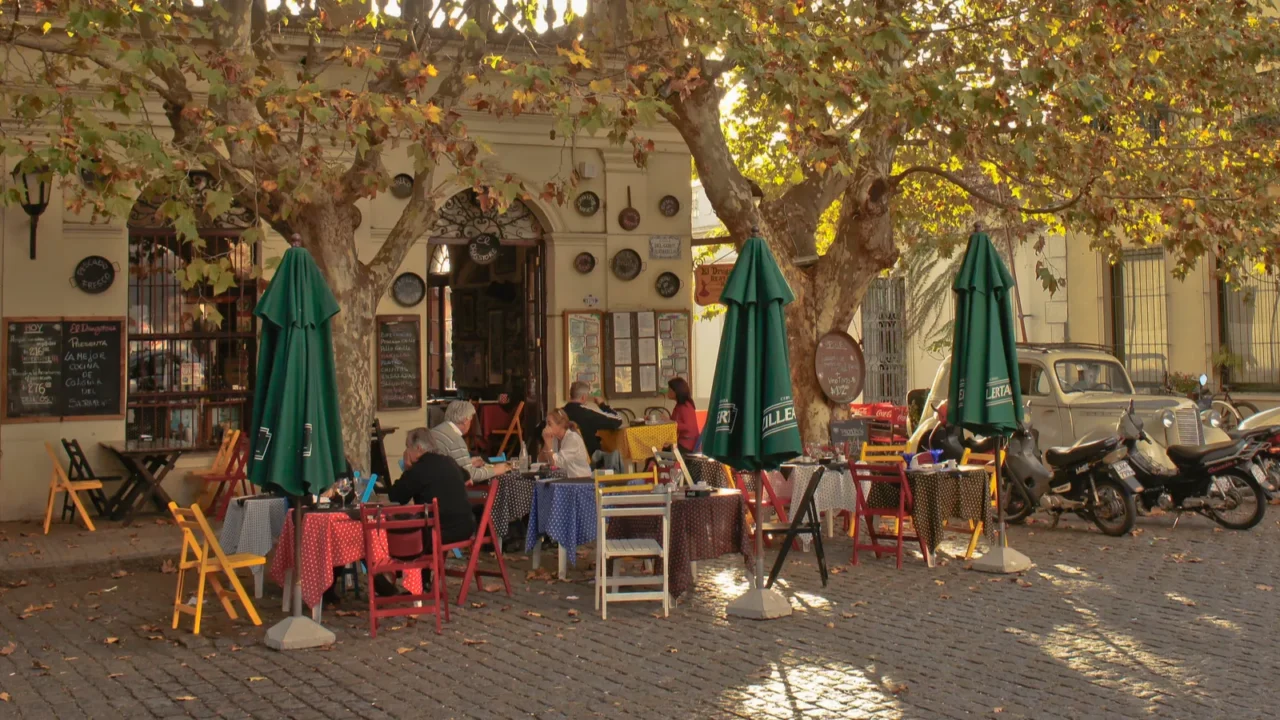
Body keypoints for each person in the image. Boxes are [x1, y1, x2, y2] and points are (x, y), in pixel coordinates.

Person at [430, 401, 510, 482]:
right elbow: (470, 475)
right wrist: (496, 470)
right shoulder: (455, 440)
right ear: (465, 420)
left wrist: (468, 463)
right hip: (444, 486)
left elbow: (445, 464)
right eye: (470, 420)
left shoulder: (435, 431)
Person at [563, 381, 623, 456]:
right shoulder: (588, 414)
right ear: (583, 397)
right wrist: (602, 405)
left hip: (564, 456)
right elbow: (618, 420)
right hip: (589, 457)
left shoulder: (560, 413)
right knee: (615, 456)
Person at [539, 409, 593, 478]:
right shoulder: (555, 438)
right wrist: (546, 442)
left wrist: (548, 443)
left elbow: (556, 463)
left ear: (560, 424)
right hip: (565, 480)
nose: (546, 427)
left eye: (549, 424)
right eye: (546, 424)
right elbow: (541, 460)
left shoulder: (573, 438)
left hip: (580, 480)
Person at [667, 377, 699, 453]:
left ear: (677, 391)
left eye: (670, 390)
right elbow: (673, 421)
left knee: (656, 453)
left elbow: (689, 427)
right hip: (679, 442)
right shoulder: (679, 406)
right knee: (655, 450)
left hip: (686, 445)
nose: (668, 392)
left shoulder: (685, 406)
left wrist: (672, 423)